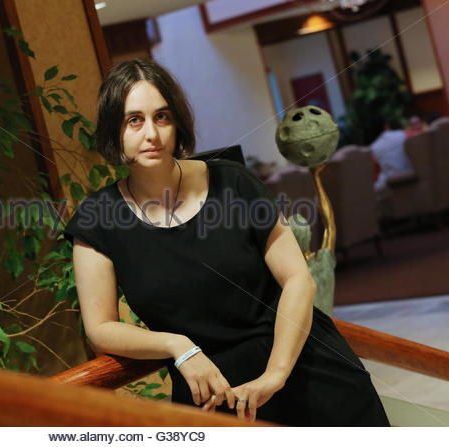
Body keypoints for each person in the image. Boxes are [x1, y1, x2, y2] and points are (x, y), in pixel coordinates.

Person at [64, 59, 389, 426]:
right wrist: (177, 346)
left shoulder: (232, 182)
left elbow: (299, 279)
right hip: (213, 396)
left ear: (178, 123)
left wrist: (275, 373)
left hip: (307, 369)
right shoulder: (98, 217)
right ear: (115, 129)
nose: (151, 134)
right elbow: (100, 329)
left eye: (162, 117)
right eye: (134, 120)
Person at [370, 117, 412, 193]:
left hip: (392, 184)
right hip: (411, 174)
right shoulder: (402, 134)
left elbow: (375, 172)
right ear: (386, 126)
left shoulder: (374, 148)